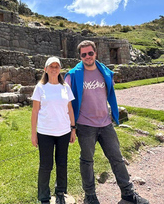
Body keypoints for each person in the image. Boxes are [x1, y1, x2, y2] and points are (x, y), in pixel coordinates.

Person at [64, 40, 149, 204]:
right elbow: (64, 99)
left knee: (117, 158)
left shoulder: (105, 72)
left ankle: (128, 195)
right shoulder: (73, 75)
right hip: (85, 125)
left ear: (95, 53)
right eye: (84, 54)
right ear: (80, 56)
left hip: (105, 123)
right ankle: (90, 197)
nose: (88, 57)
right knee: (87, 161)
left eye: (90, 53)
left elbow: (109, 90)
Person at [31, 56, 76, 204]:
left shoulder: (65, 87)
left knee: (62, 163)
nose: (54, 68)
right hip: (45, 133)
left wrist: (73, 128)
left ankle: (60, 192)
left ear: (60, 69)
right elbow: (35, 112)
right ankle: (44, 197)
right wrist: (33, 134)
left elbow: (70, 109)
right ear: (46, 69)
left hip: (63, 131)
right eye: (51, 66)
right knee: (46, 165)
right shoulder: (40, 87)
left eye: (57, 66)